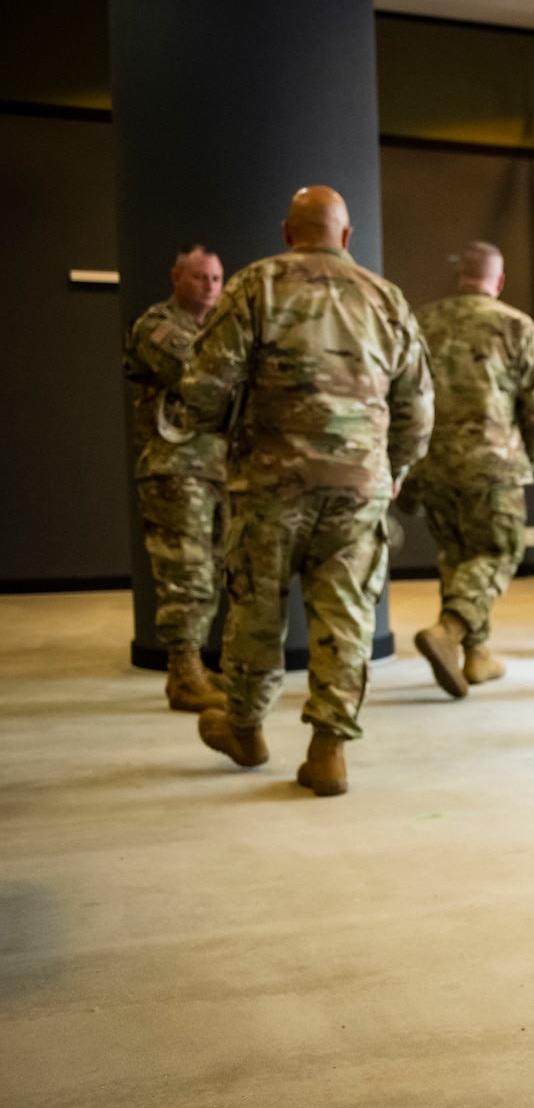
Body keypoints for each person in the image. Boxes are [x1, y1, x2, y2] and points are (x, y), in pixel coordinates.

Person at [171, 186, 433, 796]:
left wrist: (216, 430)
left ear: (288, 232)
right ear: (346, 236)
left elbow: (205, 385)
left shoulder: (254, 285)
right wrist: (394, 468)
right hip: (358, 488)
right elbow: (418, 405)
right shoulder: (387, 298)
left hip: (270, 484)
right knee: (346, 615)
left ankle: (245, 728)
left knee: (256, 608)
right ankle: (328, 751)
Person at [402, 242, 534, 698]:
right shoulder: (514, 325)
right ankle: (450, 630)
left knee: (457, 556)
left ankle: (477, 655)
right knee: (498, 553)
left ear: (458, 278)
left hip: (434, 464)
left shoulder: (421, 323)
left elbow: (401, 396)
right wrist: (533, 455)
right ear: (499, 281)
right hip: (493, 463)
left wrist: (406, 463)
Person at [125, 244, 229, 712]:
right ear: (176, 278)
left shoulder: (220, 332)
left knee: (213, 572)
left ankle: (193, 670)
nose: (209, 286)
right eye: (199, 277)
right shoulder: (158, 326)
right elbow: (202, 377)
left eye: (216, 278)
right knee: (186, 572)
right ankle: (183, 672)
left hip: (217, 470)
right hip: (176, 468)